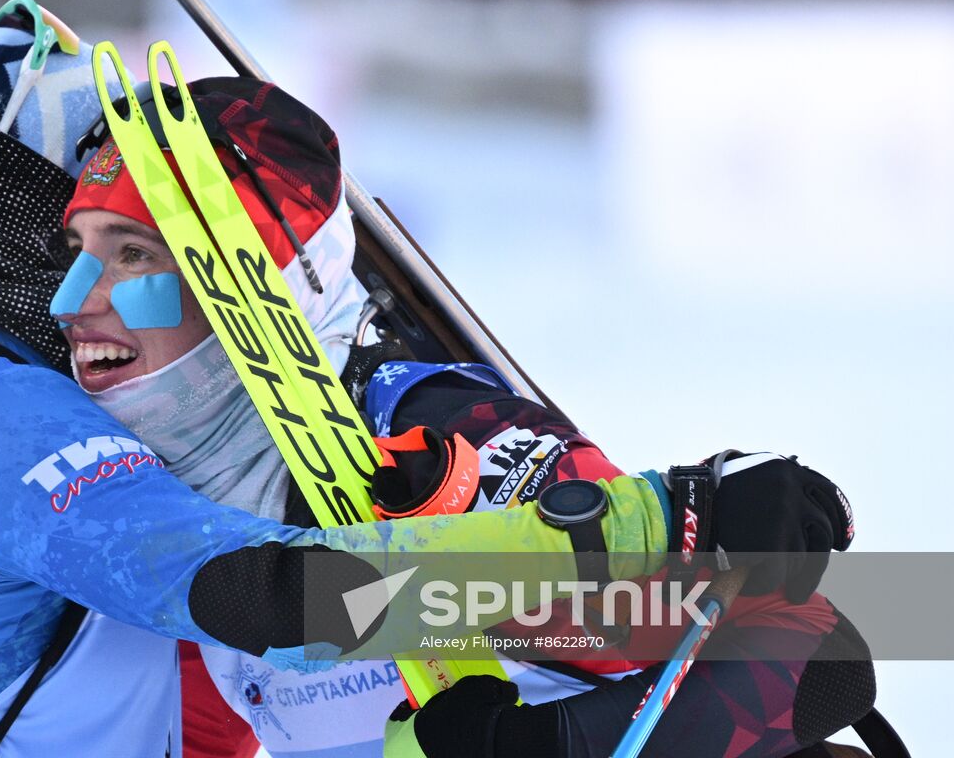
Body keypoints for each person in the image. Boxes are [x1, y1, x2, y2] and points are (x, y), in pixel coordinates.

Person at [53, 73, 872, 758]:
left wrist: (543, 746)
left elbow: (816, 656)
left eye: (134, 254)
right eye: (79, 253)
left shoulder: (442, 443)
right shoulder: (186, 500)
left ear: (259, 279)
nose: (70, 303)